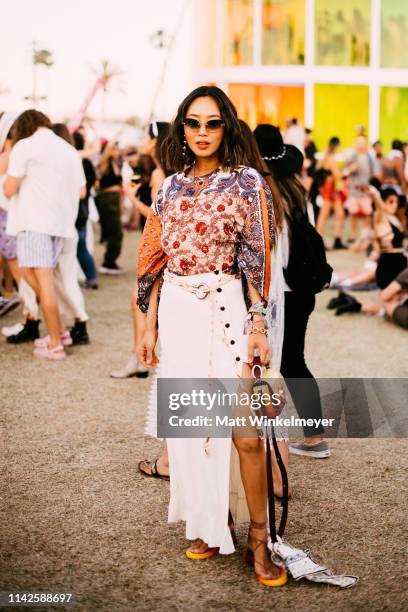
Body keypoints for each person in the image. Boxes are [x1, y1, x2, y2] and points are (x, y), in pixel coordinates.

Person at [137, 86, 287, 587]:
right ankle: (210, 521)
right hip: (178, 316)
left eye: (213, 123)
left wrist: (260, 326)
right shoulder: (168, 189)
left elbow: (258, 261)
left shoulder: (248, 183)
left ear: (228, 127)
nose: (202, 133)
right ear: (181, 128)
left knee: (246, 435)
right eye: (194, 123)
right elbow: (150, 263)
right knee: (193, 430)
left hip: (228, 311)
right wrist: (146, 323)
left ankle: (258, 540)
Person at [254, 124, 330, 459]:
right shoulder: (298, 192)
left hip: (280, 292)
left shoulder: (267, 196)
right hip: (303, 289)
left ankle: (271, 437)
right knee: (294, 362)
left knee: (270, 364)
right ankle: (313, 436)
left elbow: (274, 254)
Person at [3, 110, 86, 360]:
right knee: (32, 276)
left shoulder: (25, 146)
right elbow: (80, 190)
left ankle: (55, 344)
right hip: (60, 225)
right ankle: (59, 331)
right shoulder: (68, 150)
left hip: (35, 223)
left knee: (44, 284)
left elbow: (8, 189)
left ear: (23, 127)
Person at [111, 122, 170, 380]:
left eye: (147, 136)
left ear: (156, 140)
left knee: (140, 301)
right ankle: (141, 356)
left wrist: (135, 200)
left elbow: (158, 217)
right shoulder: (169, 170)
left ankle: (139, 357)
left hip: (159, 249)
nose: (144, 140)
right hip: (167, 248)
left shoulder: (159, 172)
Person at [72, 131, 98, 289]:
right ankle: (91, 277)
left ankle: (89, 277)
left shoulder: (73, 161)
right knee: (82, 246)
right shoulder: (87, 162)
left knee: (79, 245)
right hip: (85, 208)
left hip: (76, 208)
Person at [97, 140, 124, 274]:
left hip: (115, 199)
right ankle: (108, 262)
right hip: (107, 200)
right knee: (115, 231)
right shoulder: (104, 164)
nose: (117, 151)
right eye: (114, 149)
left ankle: (110, 261)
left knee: (117, 232)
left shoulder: (117, 163)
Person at [315, 136, 346, 249]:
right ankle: (319, 241)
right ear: (337, 145)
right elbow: (338, 175)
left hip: (330, 188)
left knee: (340, 213)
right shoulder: (331, 159)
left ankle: (337, 239)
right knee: (324, 214)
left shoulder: (326, 157)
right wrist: (348, 170)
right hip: (330, 189)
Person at [343, 136, 374, 244]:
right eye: (359, 143)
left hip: (365, 190)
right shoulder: (352, 157)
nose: (361, 145)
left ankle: (364, 234)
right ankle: (352, 234)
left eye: (363, 143)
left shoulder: (370, 158)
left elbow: (373, 173)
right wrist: (351, 169)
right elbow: (345, 171)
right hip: (354, 190)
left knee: (367, 213)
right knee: (353, 213)